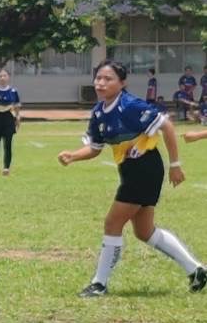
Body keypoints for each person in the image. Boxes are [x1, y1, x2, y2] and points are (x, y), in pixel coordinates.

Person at [57, 60, 206, 297]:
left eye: (108, 79)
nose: (101, 83)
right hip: (129, 170)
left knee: (112, 223)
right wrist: (73, 156)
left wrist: (175, 165)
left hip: (145, 169)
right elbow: (95, 148)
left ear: (122, 83)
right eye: (98, 78)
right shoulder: (98, 112)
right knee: (144, 231)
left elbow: (166, 126)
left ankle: (99, 283)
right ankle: (196, 269)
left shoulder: (130, 105)